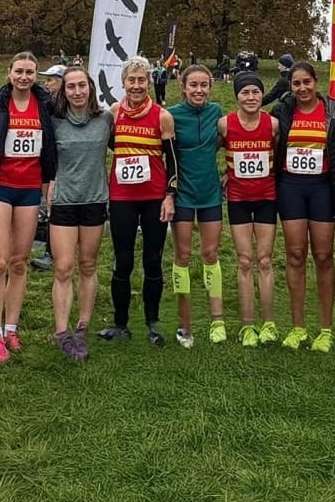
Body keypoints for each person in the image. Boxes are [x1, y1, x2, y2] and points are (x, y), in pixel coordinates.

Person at [0, 51, 56, 362]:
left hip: (29, 189)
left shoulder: (46, 104)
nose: (24, 77)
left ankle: (11, 328)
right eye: (19, 71)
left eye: (29, 72)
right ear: (9, 73)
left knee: (20, 262)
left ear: (36, 75)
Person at [98, 56, 178, 346]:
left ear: (149, 82)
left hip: (153, 197)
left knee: (152, 260)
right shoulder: (114, 112)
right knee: (123, 261)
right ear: (123, 83)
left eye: (141, 80)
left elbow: (173, 160)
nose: (136, 86)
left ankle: (152, 322)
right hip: (122, 198)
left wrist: (170, 196)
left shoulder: (162, 116)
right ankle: (120, 322)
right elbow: (110, 143)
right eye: (131, 80)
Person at [270, 61, 335, 351]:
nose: (302, 88)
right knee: (296, 255)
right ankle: (298, 327)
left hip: (323, 187)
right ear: (290, 86)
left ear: (316, 82)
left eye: (306, 82)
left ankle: (326, 330)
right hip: (291, 187)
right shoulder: (282, 111)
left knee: (323, 256)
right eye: (296, 83)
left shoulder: (333, 110)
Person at [49, 66, 112, 360]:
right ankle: (61, 332)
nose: (77, 92)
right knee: (63, 268)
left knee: (88, 265)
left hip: (95, 201)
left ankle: (83, 325)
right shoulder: (55, 121)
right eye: (71, 87)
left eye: (81, 86)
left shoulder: (105, 119)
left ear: (90, 88)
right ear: (63, 91)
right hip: (64, 201)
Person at [220, 72, 280, 346]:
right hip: (238, 199)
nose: (251, 97)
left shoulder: (273, 124)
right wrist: (224, 173)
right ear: (237, 96)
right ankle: (247, 326)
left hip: (266, 197)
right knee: (244, 261)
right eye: (245, 92)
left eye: (256, 92)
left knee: (265, 260)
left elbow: (279, 153)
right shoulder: (225, 124)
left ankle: (269, 324)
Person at [167, 65, 225, 348]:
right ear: (183, 86)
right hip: (183, 195)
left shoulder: (217, 112)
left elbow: (232, 141)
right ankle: (185, 325)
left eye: (204, 85)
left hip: (210, 193)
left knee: (211, 254)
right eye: (194, 85)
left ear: (210, 87)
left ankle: (217, 321)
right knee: (183, 256)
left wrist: (231, 172)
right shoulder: (172, 115)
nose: (199, 90)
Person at [30, 63, 68, 272]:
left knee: (55, 203)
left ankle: (53, 253)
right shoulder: (45, 103)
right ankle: (50, 251)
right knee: (50, 203)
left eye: (51, 80)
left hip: (66, 164)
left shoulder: (68, 107)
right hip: (47, 161)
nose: (46, 84)